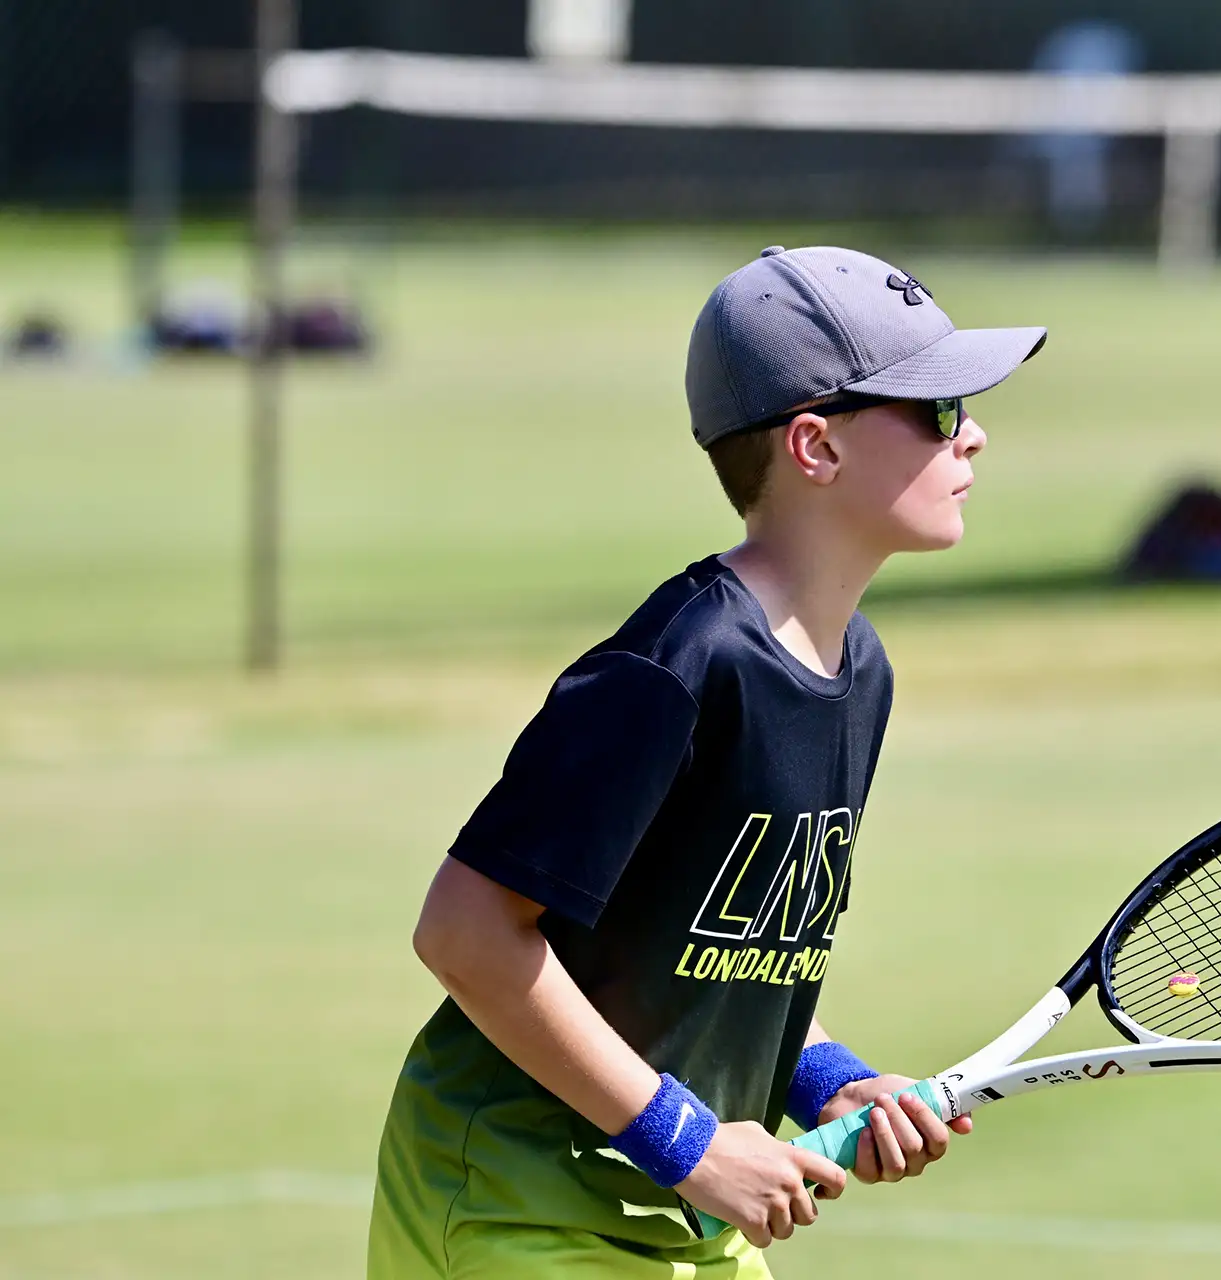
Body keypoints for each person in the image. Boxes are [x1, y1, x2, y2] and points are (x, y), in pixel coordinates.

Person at [366, 245, 1047, 1278]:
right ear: (814, 446)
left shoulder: (860, 669)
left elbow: (711, 950)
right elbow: (464, 929)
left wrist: (829, 1078)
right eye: (936, 409)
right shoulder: (678, 666)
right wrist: (687, 1142)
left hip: (678, 1212)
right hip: (521, 1196)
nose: (975, 432)